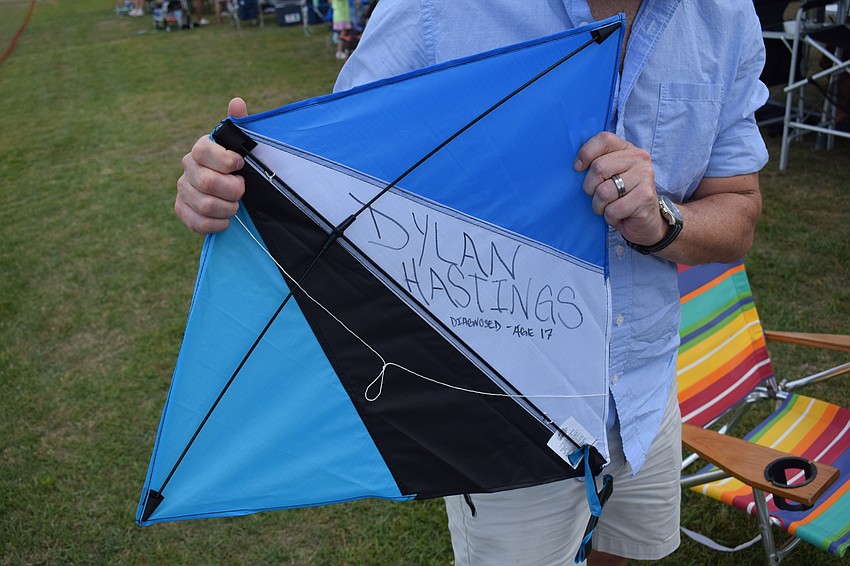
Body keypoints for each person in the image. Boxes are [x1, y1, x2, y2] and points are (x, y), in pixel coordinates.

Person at [175, 1, 768, 564]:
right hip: (506, 400)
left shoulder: (726, 16)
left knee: (629, 553)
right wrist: (234, 179)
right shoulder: (439, 10)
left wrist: (663, 221)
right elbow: (336, 174)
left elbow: (738, 207)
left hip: (643, 387)